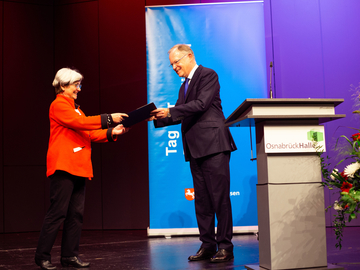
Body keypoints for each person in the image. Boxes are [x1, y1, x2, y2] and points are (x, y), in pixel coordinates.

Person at [35, 68, 130, 270]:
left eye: (79, 84)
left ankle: (69, 255)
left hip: (79, 167)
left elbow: (89, 133)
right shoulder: (59, 105)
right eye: (75, 85)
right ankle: (42, 256)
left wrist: (113, 131)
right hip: (64, 166)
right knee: (57, 213)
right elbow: (81, 123)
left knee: (75, 214)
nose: (79, 89)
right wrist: (109, 118)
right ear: (62, 86)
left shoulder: (76, 108)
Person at [151, 44, 237, 263]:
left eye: (176, 62)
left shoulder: (208, 75)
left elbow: (200, 105)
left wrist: (170, 110)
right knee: (203, 201)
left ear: (189, 56)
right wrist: (158, 118)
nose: (174, 67)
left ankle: (225, 246)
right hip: (195, 149)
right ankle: (208, 245)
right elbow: (180, 114)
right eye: (171, 65)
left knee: (219, 199)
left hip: (214, 146)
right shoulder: (184, 87)